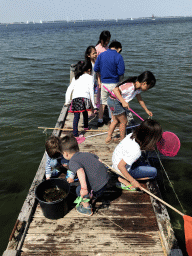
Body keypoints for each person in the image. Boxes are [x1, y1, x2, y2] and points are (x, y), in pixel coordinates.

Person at [60, 134, 109, 216]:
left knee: (78, 190)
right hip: (106, 180)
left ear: (65, 154)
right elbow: (99, 160)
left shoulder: (72, 162)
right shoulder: (87, 154)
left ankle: (87, 208)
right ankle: (94, 196)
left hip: (98, 187)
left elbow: (80, 171)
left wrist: (84, 189)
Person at [106, 71, 156, 143]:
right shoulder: (130, 86)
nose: (147, 90)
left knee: (116, 120)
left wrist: (146, 110)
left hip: (117, 102)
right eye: (148, 87)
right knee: (124, 122)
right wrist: (123, 102)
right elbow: (115, 90)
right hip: (114, 102)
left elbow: (140, 100)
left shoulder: (137, 89)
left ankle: (109, 136)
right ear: (144, 83)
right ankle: (122, 140)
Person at [112, 119, 162, 191]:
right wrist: (133, 181)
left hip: (115, 162)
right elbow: (121, 166)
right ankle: (123, 179)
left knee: (144, 161)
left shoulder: (131, 135)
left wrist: (148, 147)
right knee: (154, 172)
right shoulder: (136, 151)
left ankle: (123, 176)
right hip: (120, 169)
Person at [94, 40, 125, 127]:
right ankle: (112, 120)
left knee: (102, 103)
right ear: (118, 49)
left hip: (104, 83)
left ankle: (100, 120)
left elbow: (96, 68)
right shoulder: (118, 56)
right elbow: (121, 72)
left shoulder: (101, 55)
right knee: (113, 103)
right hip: (114, 84)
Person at [65, 60, 96, 140]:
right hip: (85, 98)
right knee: (85, 111)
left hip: (76, 98)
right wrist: (94, 104)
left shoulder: (76, 77)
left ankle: (76, 133)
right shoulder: (90, 77)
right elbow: (91, 91)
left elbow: (69, 89)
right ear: (89, 69)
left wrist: (67, 101)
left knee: (76, 116)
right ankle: (84, 127)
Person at [85, 46, 99, 115]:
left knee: (93, 96)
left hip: (94, 82)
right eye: (93, 53)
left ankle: (93, 109)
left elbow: (97, 73)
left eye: (96, 53)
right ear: (88, 55)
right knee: (89, 97)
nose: (95, 55)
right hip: (89, 83)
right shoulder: (88, 64)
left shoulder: (96, 62)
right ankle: (89, 110)